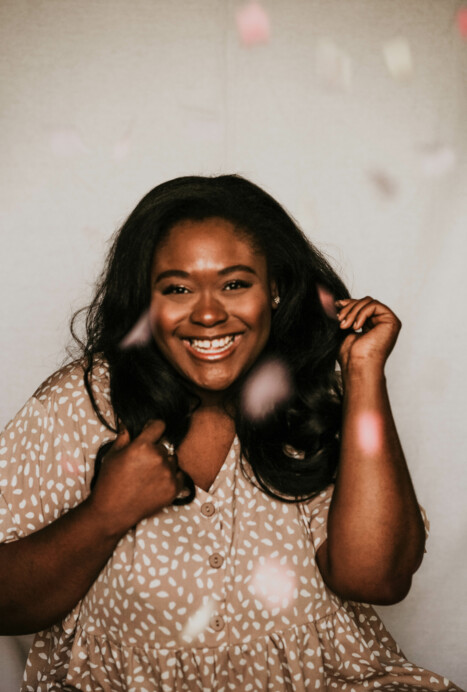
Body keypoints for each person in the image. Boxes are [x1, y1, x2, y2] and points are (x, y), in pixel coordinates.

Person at [0, 175, 463, 692]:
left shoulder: (311, 399)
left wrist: (363, 372)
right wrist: (104, 514)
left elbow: (377, 579)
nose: (207, 313)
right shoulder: (82, 402)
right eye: (177, 288)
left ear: (275, 290)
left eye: (235, 284)